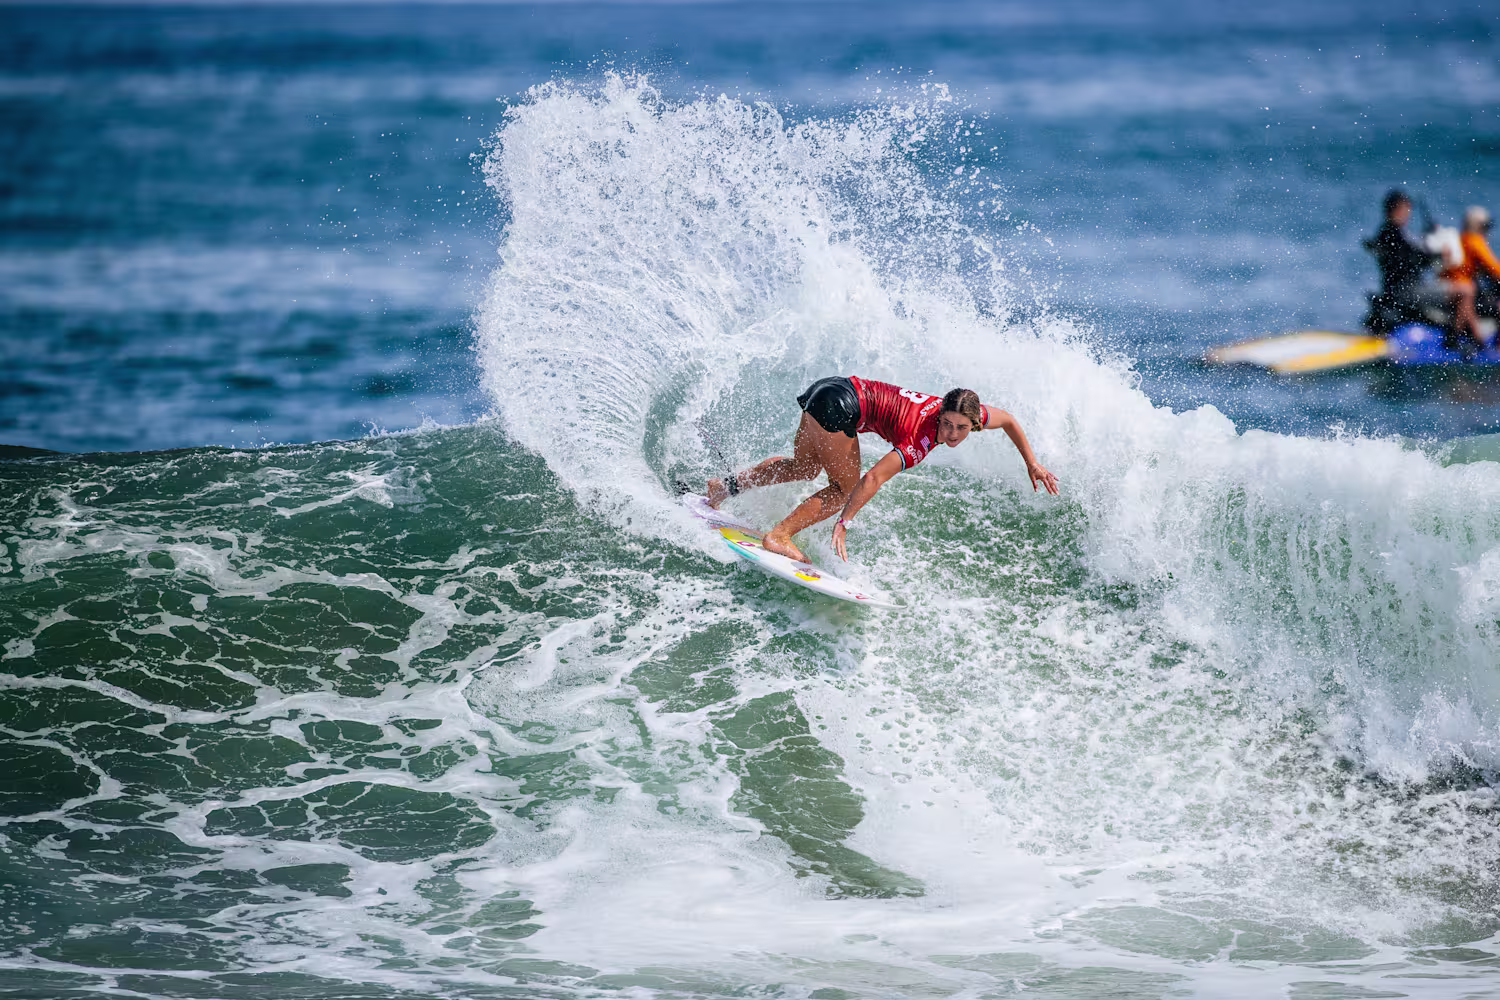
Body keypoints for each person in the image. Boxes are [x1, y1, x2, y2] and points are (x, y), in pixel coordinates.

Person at [703, 376, 1059, 563]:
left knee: (804, 466)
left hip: (829, 388)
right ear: (940, 415)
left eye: (961, 428)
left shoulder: (972, 413)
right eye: (947, 424)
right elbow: (873, 478)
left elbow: (1009, 420)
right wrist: (844, 521)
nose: (952, 433)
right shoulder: (920, 438)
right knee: (843, 488)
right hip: (841, 405)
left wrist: (1032, 463)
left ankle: (722, 487)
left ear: (975, 423)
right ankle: (779, 536)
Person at [1441, 206, 1500, 340]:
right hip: (1463, 287)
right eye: (1487, 226)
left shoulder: (1460, 239)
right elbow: (1495, 270)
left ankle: (1472, 338)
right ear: (1479, 226)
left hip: (1450, 286)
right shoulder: (1475, 241)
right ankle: (1492, 345)